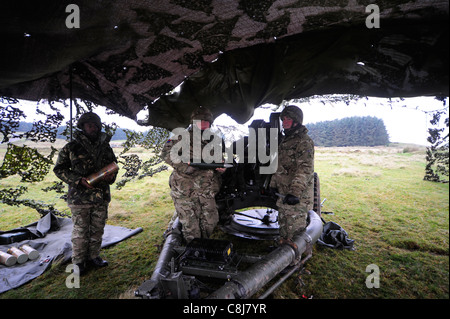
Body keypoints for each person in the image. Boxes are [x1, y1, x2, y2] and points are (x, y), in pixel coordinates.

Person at [54, 112, 118, 274]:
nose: (93, 128)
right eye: (89, 125)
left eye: (96, 125)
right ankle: (79, 261)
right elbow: (59, 169)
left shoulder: (105, 146)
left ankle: (93, 256)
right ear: (82, 126)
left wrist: (111, 176)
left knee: (97, 228)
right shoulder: (72, 147)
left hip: (101, 195)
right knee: (81, 231)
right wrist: (78, 180)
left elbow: (113, 164)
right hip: (79, 198)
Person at [161, 106, 225, 243]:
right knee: (191, 228)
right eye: (200, 121)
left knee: (211, 221)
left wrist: (221, 166)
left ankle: (201, 246)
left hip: (206, 190)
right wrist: (185, 167)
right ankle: (192, 253)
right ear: (193, 122)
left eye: (206, 122)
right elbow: (165, 153)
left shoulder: (214, 140)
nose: (203, 124)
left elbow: (219, 159)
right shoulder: (180, 137)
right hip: (185, 190)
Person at [270, 105, 315, 243]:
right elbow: (279, 166)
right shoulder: (285, 141)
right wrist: (273, 185)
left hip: (296, 198)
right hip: (284, 195)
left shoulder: (304, 141)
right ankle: (282, 257)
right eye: (283, 119)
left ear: (296, 121)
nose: (284, 122)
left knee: (294, 233)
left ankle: (295, 262)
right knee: (284, 228)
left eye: (288, 119)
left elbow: (305, 169)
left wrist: (295, 192)